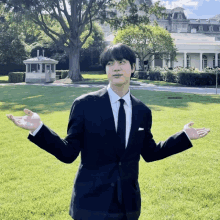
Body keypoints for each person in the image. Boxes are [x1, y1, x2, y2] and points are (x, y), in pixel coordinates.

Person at [6, 43, 210, 220]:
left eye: (121, 62)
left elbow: (150, 153)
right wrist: (39, 129)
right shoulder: (85, 105)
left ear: (133, 67)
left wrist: (183, 137)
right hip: (90, 206)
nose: (116, 68)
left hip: (128, 207)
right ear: (106, 70)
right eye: (110, 63)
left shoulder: (142, 111)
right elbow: (68, 153)